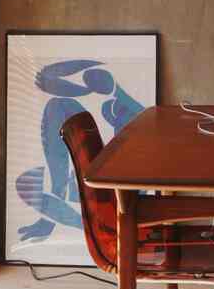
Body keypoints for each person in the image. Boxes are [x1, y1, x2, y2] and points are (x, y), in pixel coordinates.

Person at [15, 59, 144, 242]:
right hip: (93, 181)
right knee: (56, 106)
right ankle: (56, 208)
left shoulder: (125, 110)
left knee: (60, 107)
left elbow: (128, 168)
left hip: (118, 192)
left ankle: (98, 224)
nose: (87, 83)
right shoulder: (101, 104)